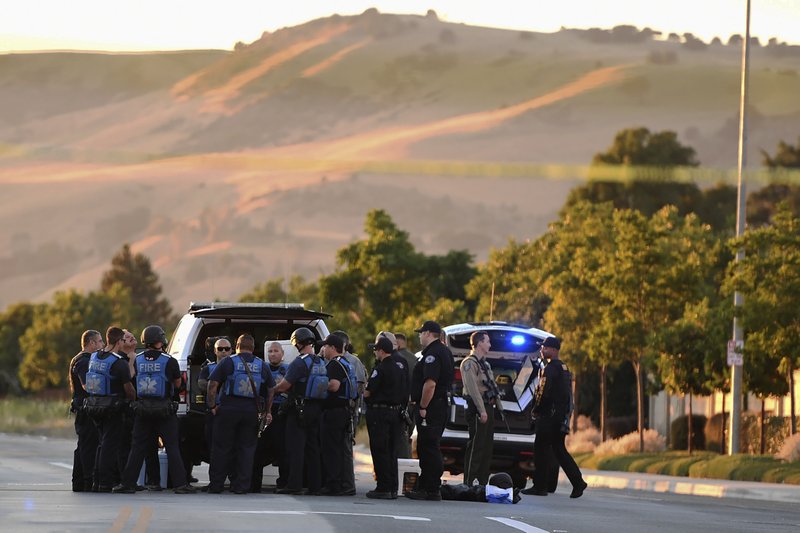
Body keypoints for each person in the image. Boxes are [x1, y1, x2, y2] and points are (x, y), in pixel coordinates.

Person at [113, 325, 196, 494]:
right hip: (164, 410)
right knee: (172, 447)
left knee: (137, 447)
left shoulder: (137, 359)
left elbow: (131, 379)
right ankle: (180, 484)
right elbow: (178, 384)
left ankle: (128, 483)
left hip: (142, 410)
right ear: (160, 340)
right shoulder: (169, 360)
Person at [206, 334, 274, 494]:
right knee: (246, 450)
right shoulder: (262, 365)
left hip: (228, 409)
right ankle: (241, 486)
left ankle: (216, 485)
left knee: (221, 448)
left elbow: (212, 384)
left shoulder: (228, 362)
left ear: (237, 346)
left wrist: (213, 405)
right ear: (253, 348)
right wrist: (267, 411)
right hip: (251, 411)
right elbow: (271, 389)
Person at [526, 337, 587, 499]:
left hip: (548, 417)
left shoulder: (550, 368)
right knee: (559, 450)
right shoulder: (564, 368)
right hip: (559, 417)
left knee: (541, 450)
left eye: (544, 347)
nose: (542, 350)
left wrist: (535, 410)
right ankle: (578, 482)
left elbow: (542, 392)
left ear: (553, 349)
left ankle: (540, 486)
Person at [82, 327, 136, 492]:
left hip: (94, 406)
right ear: (119, 341)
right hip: (113, 408)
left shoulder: (94, 357)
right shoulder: (118, 362)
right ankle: (105, 482)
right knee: (109, 446)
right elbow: (129, 389)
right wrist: (132, 401)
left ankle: (96, 481)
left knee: (101, 444)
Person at [406, 320, 453, 501]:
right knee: (429, 447)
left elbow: (430, 384)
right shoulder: (445, 351)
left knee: (428, 448)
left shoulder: (433, 354)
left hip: (431, 407)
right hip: (439, 406)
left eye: (421, 333)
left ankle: (430, 488)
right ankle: (428, 485)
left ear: (428, 333)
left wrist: (424, 406)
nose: (419, 336)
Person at [274, 327, 324, 495]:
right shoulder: (320, 361)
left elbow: (285, 386)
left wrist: (272, 390)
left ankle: (294, 485)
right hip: (316, 409)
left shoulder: (299, 362)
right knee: (313, 448)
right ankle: (315, 486)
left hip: (298, 409)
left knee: (295, 448)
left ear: (297, 343)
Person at [460, 330, 502, 486]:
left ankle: (483, 481)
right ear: (479, 343)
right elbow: (473, 389)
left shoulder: (485, 364)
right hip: (477, 407)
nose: (490, 344)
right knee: (476, 446)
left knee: (486, 446)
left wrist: (499, 407)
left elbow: (492, 386)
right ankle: (469, 482)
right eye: (487, 341)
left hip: (487, 406)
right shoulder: (469, 364)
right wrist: (482, 410)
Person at [364, 336, 404, 499]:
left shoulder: (380, 369)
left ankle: (383, 487)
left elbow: (368, 392)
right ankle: (393, 487)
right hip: (395, 412)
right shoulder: (399, 368)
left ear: (381, 351)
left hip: (379, 413)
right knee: (391, 450)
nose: (374, 352)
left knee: (380, 450)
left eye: (375, 350)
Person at [331, 330, 366, 496]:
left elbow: (359, 388)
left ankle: (347, 483)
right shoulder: (352, 361)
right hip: (347, 408)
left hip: (345, 409)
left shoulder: (352, 361)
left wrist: (354, 410)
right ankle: (341, 482)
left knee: (344, 447)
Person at [319, 334, 354, 496]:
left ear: (333, 347)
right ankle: (340, 483)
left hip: (334, 412)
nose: (323, 349)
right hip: (344, 410)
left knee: (331, 449)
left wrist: (317, 384)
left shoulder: (334, 364)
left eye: (325, 347)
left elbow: (334, 386)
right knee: (339, 449)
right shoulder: (346, 363)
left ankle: (333, 484)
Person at [68, 329, 103, 492]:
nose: (102, 345)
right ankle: (87, 480)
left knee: (83, 445)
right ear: (92, 343)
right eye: (100, 341)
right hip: (85, 408)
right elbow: (87, 385)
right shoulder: (83, 361)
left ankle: (80, 481)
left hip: (84, 406)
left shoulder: (81, 359)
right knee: (88, 445)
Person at [197, 337, 231, 478]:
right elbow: (201, 384)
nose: (223, 352)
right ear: (215, 351)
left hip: (231, 412)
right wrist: (217, 384)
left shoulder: (236, 365)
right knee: (213, 447)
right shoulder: (208, 368)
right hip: (213, 412)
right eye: (220, 349)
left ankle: (234, 479)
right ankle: (216, 480)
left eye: (226, 349)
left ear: (232, 350)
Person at [377, 331, 412, 460]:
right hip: (397, 409)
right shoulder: (400, 359)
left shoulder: (396, 361)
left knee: (396, 447)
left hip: (392, 410)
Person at [264, 341, 289, 490]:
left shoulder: (288, 369)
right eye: (270, 351)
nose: (273, 354)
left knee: (283, 448)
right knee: (261, 448)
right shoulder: (263, 368)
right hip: (265, 410)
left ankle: (284, 482)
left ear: (282, 353)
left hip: (281, 411)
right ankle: (253, 483)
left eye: (276, 351)